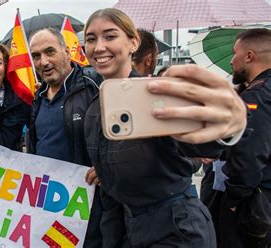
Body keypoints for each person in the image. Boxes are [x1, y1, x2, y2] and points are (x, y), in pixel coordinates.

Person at [83, 8, 247, 248]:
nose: (99, 47)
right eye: (90, 39)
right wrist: (108, 170)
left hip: (177, 229)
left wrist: (230, 124)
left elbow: (202, 145)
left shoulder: (158, 94)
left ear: (133, 42)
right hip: (128, 230)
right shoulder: (93, 111)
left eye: (110, 36)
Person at [28, 28, 104, 248]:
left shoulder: (94, 87)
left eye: (50, 51)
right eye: (36, 56)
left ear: (67, 51)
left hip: (91, 208)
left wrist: (106, 167)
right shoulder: (38, 99)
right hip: (50, 208)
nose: (44, 61)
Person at [214, 28, 271, 248]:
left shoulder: (256, 96)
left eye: (234, 53)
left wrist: (233, 199)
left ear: (249, 56)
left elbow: (250, 154)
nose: (231, 61)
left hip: (255, 203)